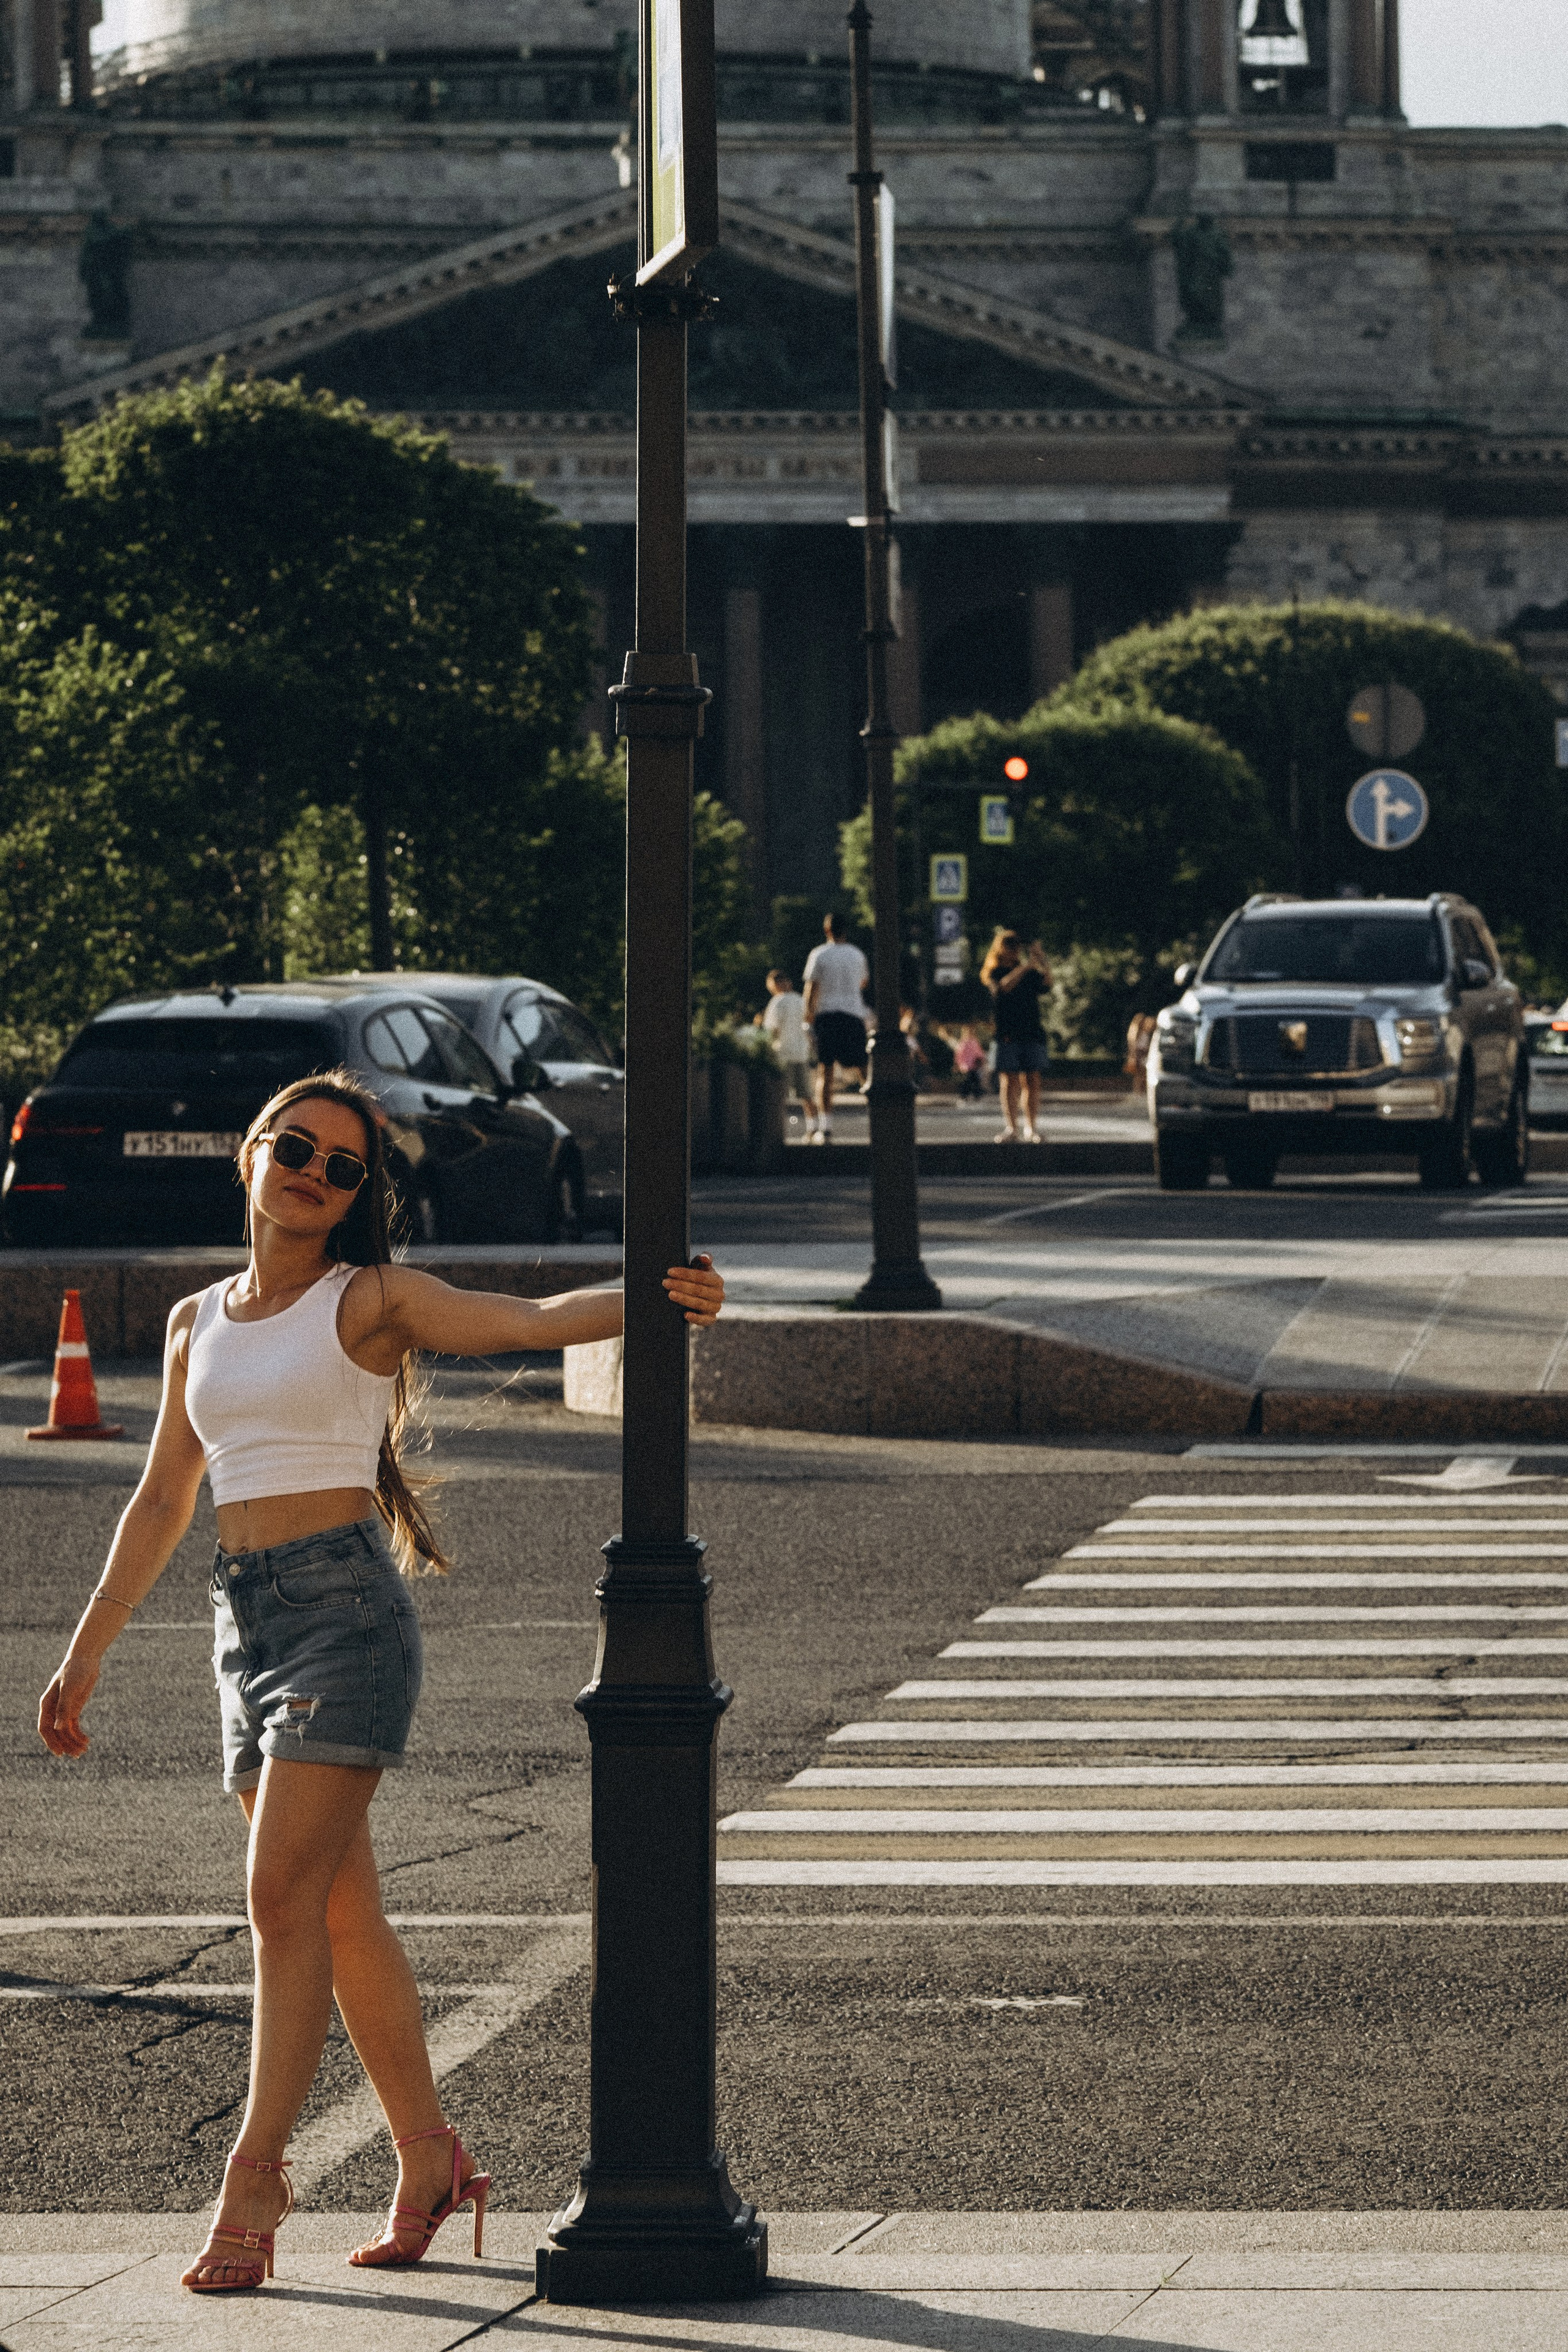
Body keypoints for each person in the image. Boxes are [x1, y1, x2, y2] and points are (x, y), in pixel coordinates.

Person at [36, 1068, 725, 2295]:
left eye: (344, 1165)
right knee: (338, 1916)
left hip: (344, 1620)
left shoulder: (373, 1300)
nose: (314, 1170)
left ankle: (254, 2181)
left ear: (358, 1198)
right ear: (249, 1154)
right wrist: (83, 1654)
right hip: (238, 1627)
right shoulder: (199, 1320)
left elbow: (524, 1319)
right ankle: (428, 2160)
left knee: (277, 1902)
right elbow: (160, 1500)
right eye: (296, 1146)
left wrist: (662, 1300)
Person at [802, 913, 870, 1144]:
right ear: (846, 930)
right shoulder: (857, 954)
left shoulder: (819, 954)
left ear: (827, 931)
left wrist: (808, 1017)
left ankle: (826, 1126)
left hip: (827, 1016)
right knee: (863, 1069)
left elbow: (812, 988)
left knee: (825, 1072)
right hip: (852, 1013)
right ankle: (877, 1115)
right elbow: (863, 982)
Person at [980, 929, 1051, 1142]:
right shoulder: (994, 972)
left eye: (1016, 945)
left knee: (1032, 1080)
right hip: (1007, 1032)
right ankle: (1012, 1128)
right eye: (1010, 945)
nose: (1014, 949)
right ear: (1000, 947)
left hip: (1031, 1031)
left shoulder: (1028, 972)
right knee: (1009, 1081)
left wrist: (1042, 959)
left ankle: (1031, 1127)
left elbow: (1047, 984)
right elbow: (1004, 988)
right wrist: (1027, 966)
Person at [756, 968, 814, 1134]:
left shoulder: (777, 1002)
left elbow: (772, 1031)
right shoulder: (800, 1000)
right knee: (806, 1094)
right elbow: (808, 1021)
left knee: (778, 1094)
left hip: (783, 1053)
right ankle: (813, 1128)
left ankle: (776, 1130)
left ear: (775, 984)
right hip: (801, 1052)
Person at [952, 1025, 986, 1101]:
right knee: (967, 1081)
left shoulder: (974, 1042)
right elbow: (959, 1055)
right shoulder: (963, 1043)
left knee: (975, 1081)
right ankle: (965, 1095)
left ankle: (976, 1095)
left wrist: (981, 1061)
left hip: (974, 1065)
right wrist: (957, 1064)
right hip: (966, 1066)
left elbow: (979, 1053)